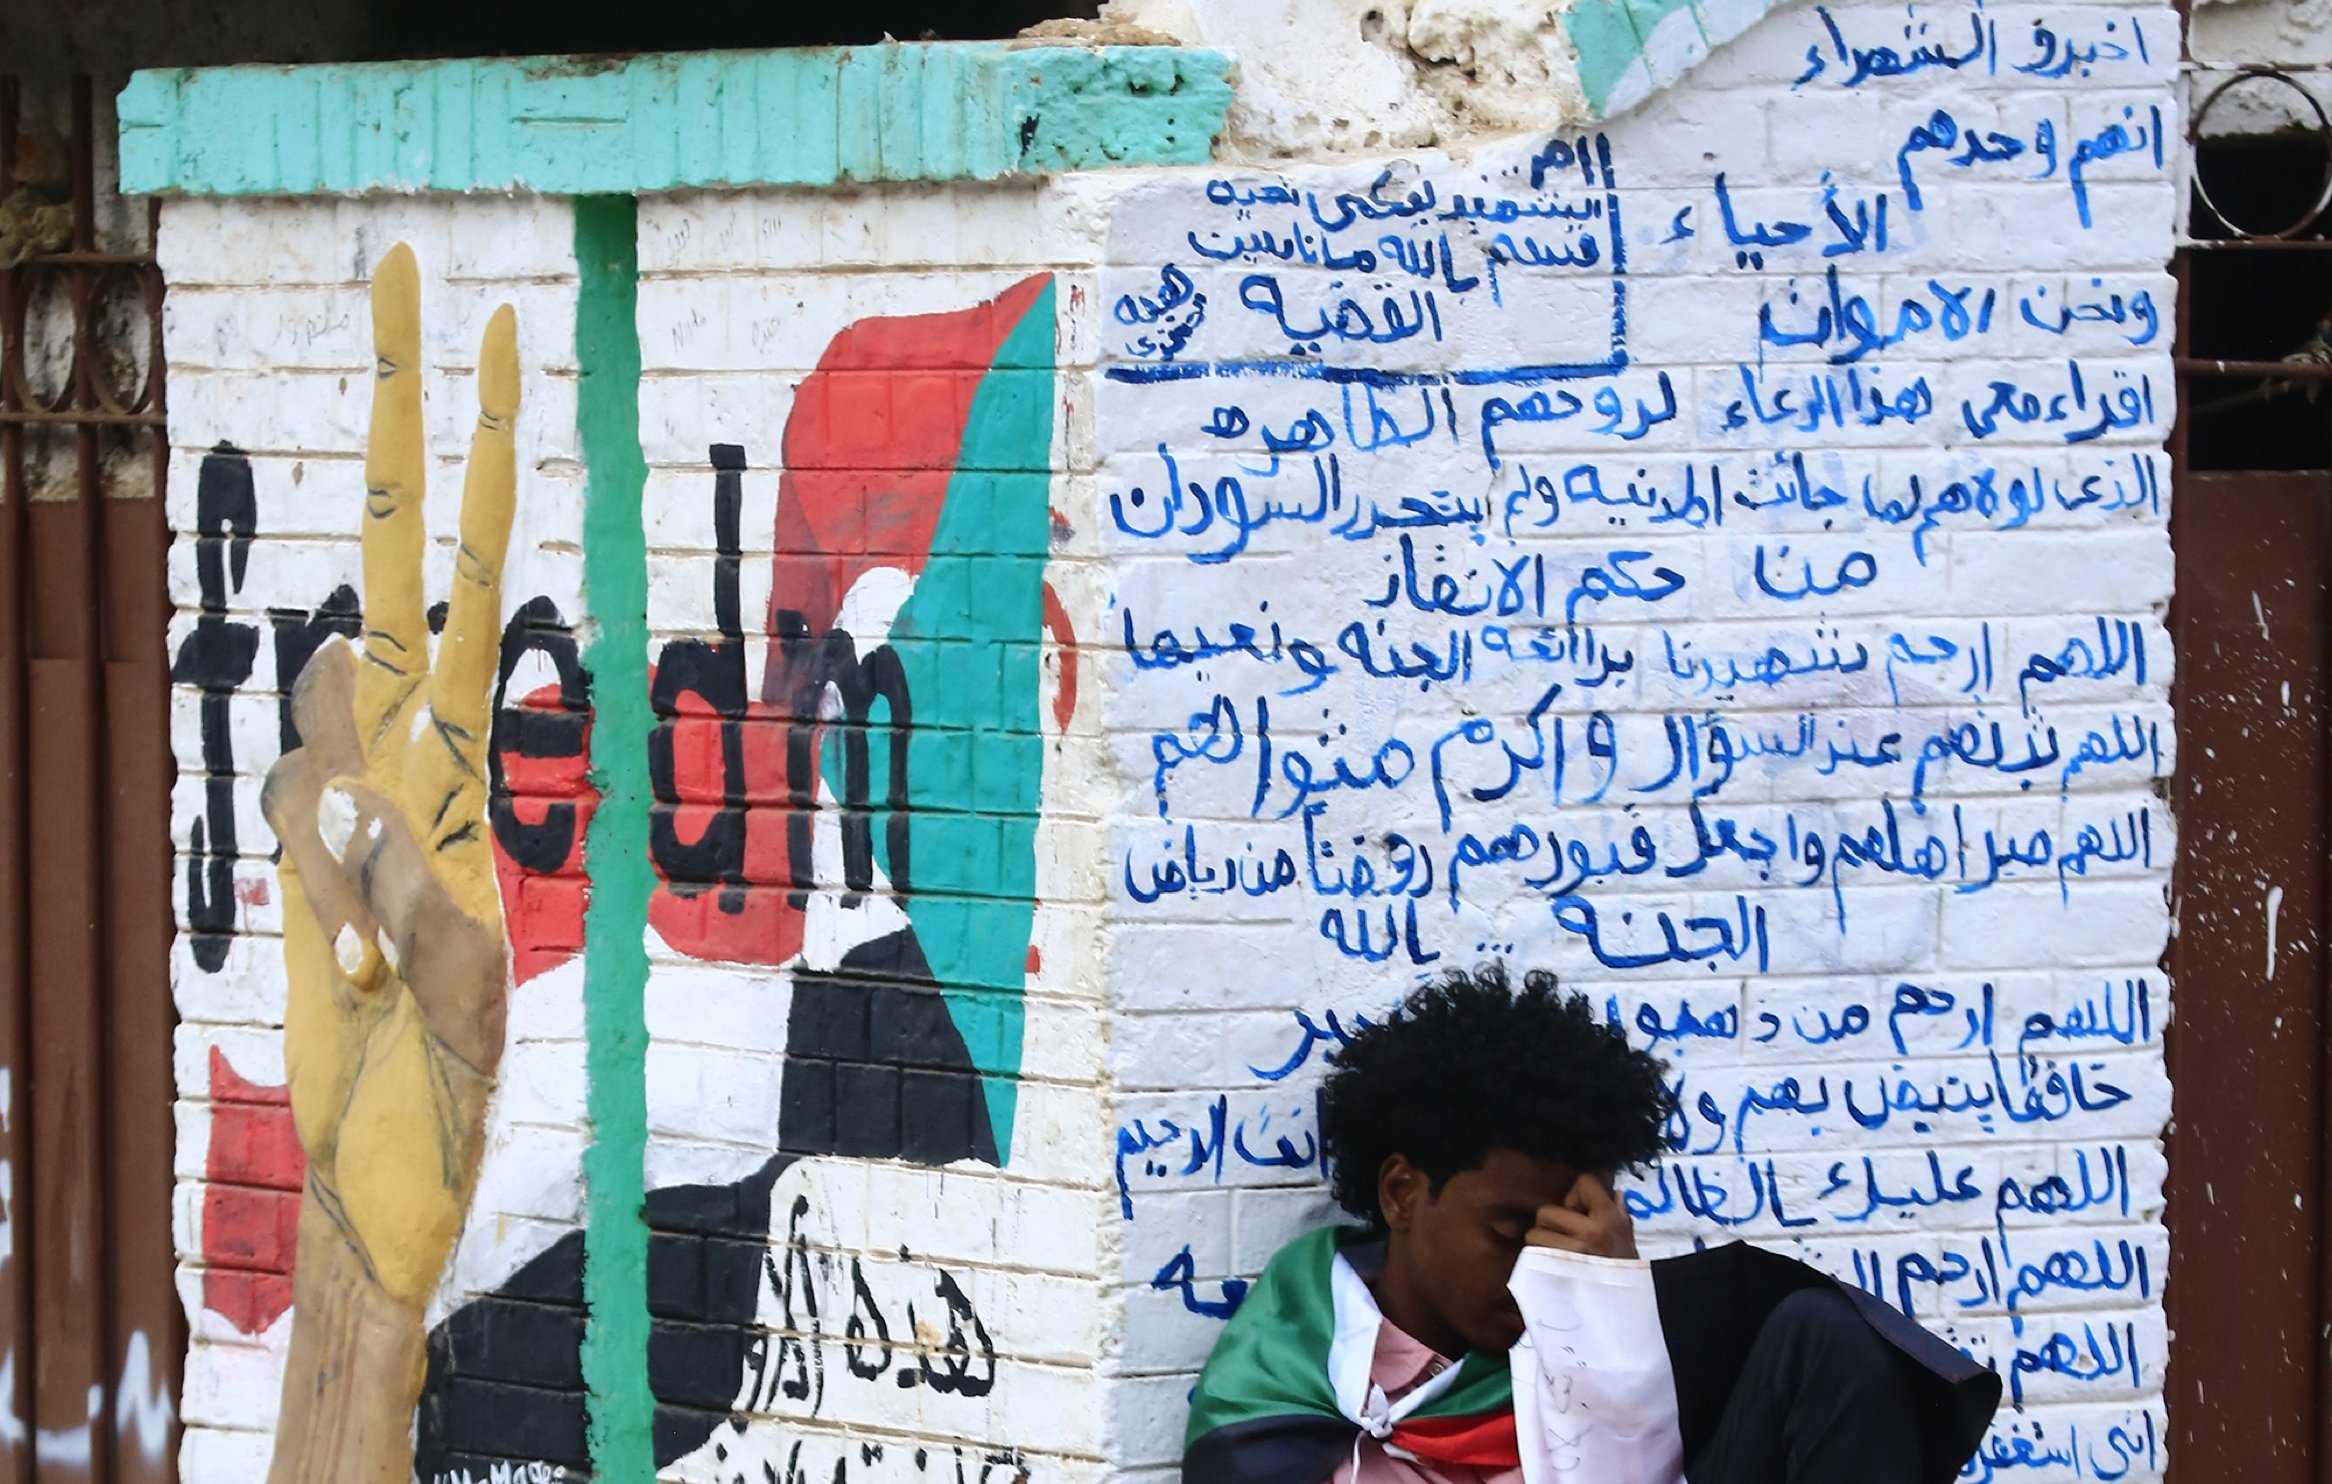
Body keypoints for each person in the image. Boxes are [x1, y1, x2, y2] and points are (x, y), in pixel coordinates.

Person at [1183, 964, 2001, 1484]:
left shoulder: (1601, 1340)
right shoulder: (1282, 1385)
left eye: (1565, 1237)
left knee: (1825, 1335)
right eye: (1510, 1234)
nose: (1536, 1272)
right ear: (1402, 1193)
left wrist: (1608, 1314)